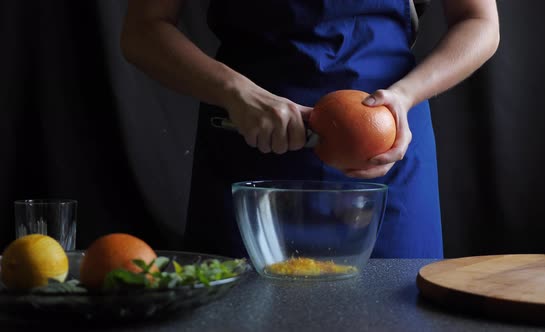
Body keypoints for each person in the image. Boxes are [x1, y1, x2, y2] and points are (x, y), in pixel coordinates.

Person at [121, 1, 500, 258]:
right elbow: (143, 29)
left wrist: (404, 96)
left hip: (387, 156)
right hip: (250, 148)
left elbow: (479, 21)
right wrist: (236, 92)